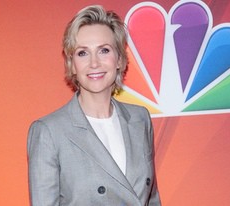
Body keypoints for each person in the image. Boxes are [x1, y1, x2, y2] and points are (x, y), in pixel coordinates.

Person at [27, 5, 161, 205]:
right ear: (72, 64)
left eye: (104, 50)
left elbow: (152, 199)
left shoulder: (140, 119)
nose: (94, 63)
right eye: (83, 53)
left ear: (119, 59)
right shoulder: (49, 132)